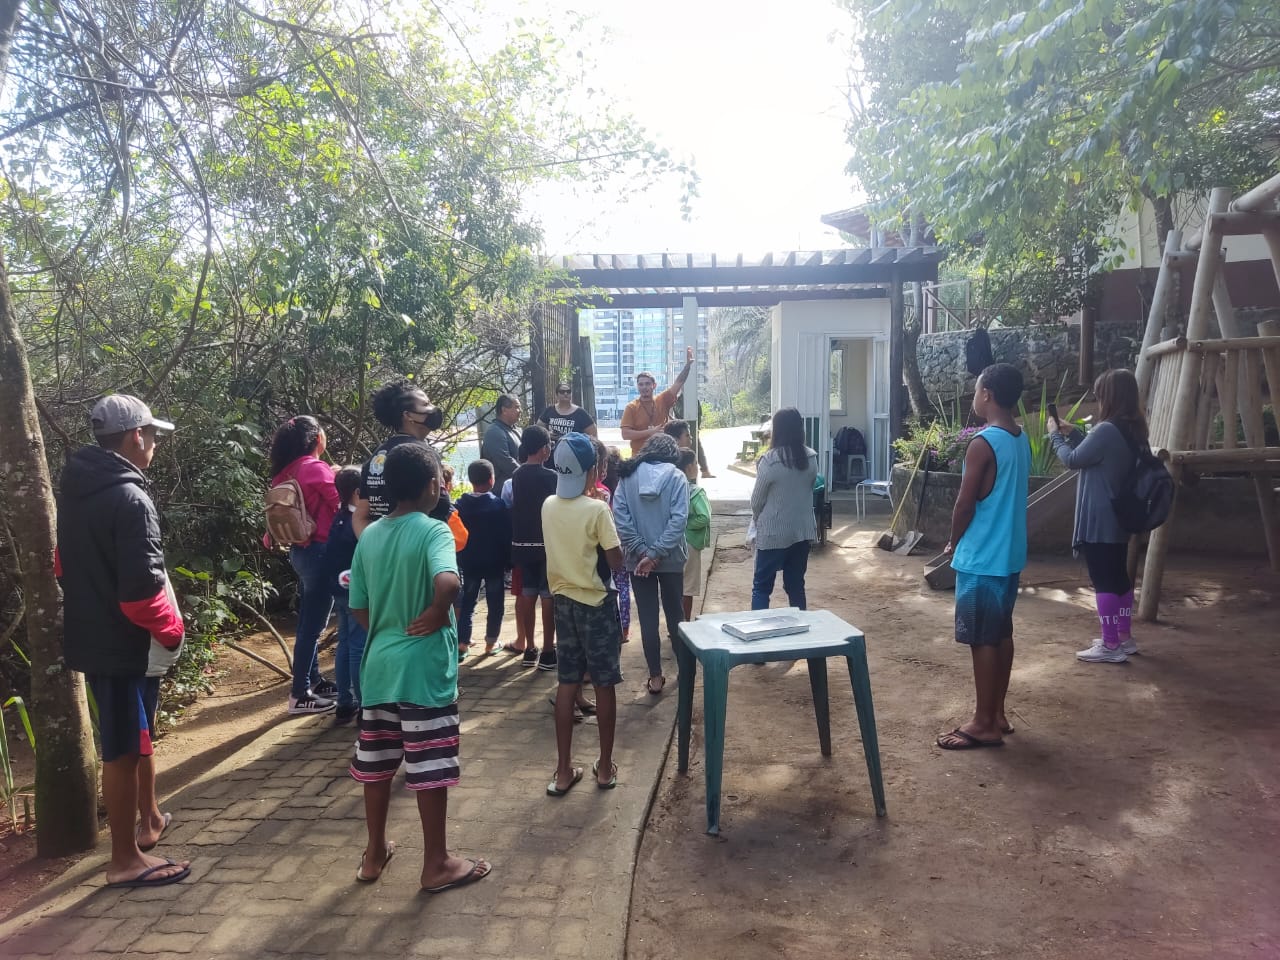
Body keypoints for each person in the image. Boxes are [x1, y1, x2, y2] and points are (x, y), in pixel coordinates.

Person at [57, 395, 191, 888]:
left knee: (129, 741)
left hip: (93, 634)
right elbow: (141, 591)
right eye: (152, 435)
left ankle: (143, 830)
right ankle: (123, 860)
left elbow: (62, 565)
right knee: (120, 751)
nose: (154, 443)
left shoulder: (76, 490)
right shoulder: (130, 498)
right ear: (135, 436)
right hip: (120, 642)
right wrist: (171, 630)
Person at [347, 442, 491, 893]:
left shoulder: (369, 534)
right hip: (424, 674)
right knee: (429, 769)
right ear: (433, 485)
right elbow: (447, 581)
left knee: (378, 766)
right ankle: (436, 864)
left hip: (379, 670)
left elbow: (358, 607)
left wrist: (388, 629)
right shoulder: (434, 532)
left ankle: (374, 854)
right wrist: (434, 613)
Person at [936, 363, 1031, 751]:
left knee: (982, 640)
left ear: (987, 394)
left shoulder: (983, 443)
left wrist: (953, 541)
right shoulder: (1019, 437)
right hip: (1008, 554)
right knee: (1001, 633)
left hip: (982, 557)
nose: (974, 397)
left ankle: (983, 721)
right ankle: (997, 712)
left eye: (976, 390)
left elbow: (965, 503)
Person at [543, 433, 625, 795]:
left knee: (567, 682)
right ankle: (604, 768)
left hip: (563, 603)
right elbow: (616, 560)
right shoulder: (597, 509)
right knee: (604, 683)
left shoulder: (548, 505)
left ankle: (563, 772)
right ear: (594, 470)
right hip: (596, 604)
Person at [1049, 369, 1146, 664]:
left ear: (1111, 397)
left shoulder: (1106, 430)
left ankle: (1109, 644)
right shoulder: (1134, 429)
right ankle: (1123, 637)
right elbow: (1098, 454)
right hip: (1119, 515)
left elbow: (1073, 460)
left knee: (1103, 579)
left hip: (1098, 516)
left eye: (1100, 393)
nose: (1097, 398)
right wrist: (1074, 433)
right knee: (1119, 578)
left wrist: (1055, 437)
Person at [268, 415, 341, 714]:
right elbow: (341, 503)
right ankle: (300, 694)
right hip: (321, 552)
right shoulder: (314, 468)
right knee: (312, 626)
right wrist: (341, 478)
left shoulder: (283, 473)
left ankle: (313, 679)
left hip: (300, 552)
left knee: (310, 620)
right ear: (316, 440)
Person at [613, 433, 688, 695]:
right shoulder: (677, 477)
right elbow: (679, 520)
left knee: (647, 618)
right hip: (670, 559)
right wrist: (656, 553)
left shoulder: (627, 476)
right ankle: (684, 670)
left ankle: (655, 677)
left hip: (637, 562)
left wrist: (643, 552)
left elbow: (620, 518)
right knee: (676, 615)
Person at [356, 378, 452, 535]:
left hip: (384, 552)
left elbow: (361, 516)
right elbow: (441, 505)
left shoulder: (376, 458)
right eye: (426, 404)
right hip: (422, 550)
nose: (433, 409)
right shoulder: (423, 455)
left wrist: (374, 548)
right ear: (408, 415)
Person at [749, 408, 818, 610]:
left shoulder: (769, 461)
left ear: (777, 430)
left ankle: (759, 635)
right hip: (802, 531)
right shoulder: (811, 458)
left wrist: (757, 519)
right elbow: (809, 487)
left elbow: (756, 501)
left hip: (773, 534)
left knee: (762, 587)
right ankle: (800, 631)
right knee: (796, 586)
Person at [510, 425, 559, 670]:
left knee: (527, 594)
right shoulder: (551, 477)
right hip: (546, 545)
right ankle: (549, 650)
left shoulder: (517, 476)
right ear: (543, 449)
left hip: (521, 545)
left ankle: (530, 648)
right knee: (548, 596)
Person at [455, 460, 511, 658]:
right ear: (491, 479)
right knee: (495, 603)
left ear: (471, 480)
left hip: (469, 562)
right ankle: (491, 641)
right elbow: (506, 535)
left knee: (468, 602)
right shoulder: (498, 505)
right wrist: (508, 560)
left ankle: (462, 643)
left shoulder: (459, 505)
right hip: (494, 562)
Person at [326, 466, 367, 725]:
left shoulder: (338, 518)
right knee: (358, 649)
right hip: (355, 593)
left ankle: (344, 702)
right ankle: (365, 705)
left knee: (344, 644)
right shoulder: (357, 525)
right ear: (357, 493)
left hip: (338, 590)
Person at [620, 346, 695, 456]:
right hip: (640, 457)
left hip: (663, 455)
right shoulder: (631, 407)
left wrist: (687, 366)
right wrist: (650, 432)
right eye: (641, 384)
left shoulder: (662, 400)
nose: (644, 387)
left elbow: (678, 383)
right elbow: (625, 434)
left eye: (647, 384)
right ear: (637, 387)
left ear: (654, 386)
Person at [603, 446, 630, 642]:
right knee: (623, 587)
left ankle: (610, 625)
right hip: (623, 541)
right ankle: (625, 629)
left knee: (607, 586)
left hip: (604, 543)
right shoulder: (625, 485)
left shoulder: (597, 488)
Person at [680, 450, 711, 621]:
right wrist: (686, 526)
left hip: (673, 540)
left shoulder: (671, 487)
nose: (698, 469)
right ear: (690, 467)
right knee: (688, 587)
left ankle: (674, 622)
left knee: (675, 584)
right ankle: (685, 623)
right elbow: (704, 517)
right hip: (691, 543)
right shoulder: (696, 492)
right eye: (697, 465)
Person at [481, 394, 523, 489]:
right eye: (516, 407)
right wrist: (526, 474)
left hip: (517, 485)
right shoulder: (494, 431)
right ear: (504, 410)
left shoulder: (517, 430)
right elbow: (505, 461)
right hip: (501, 490)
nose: (520, 411)